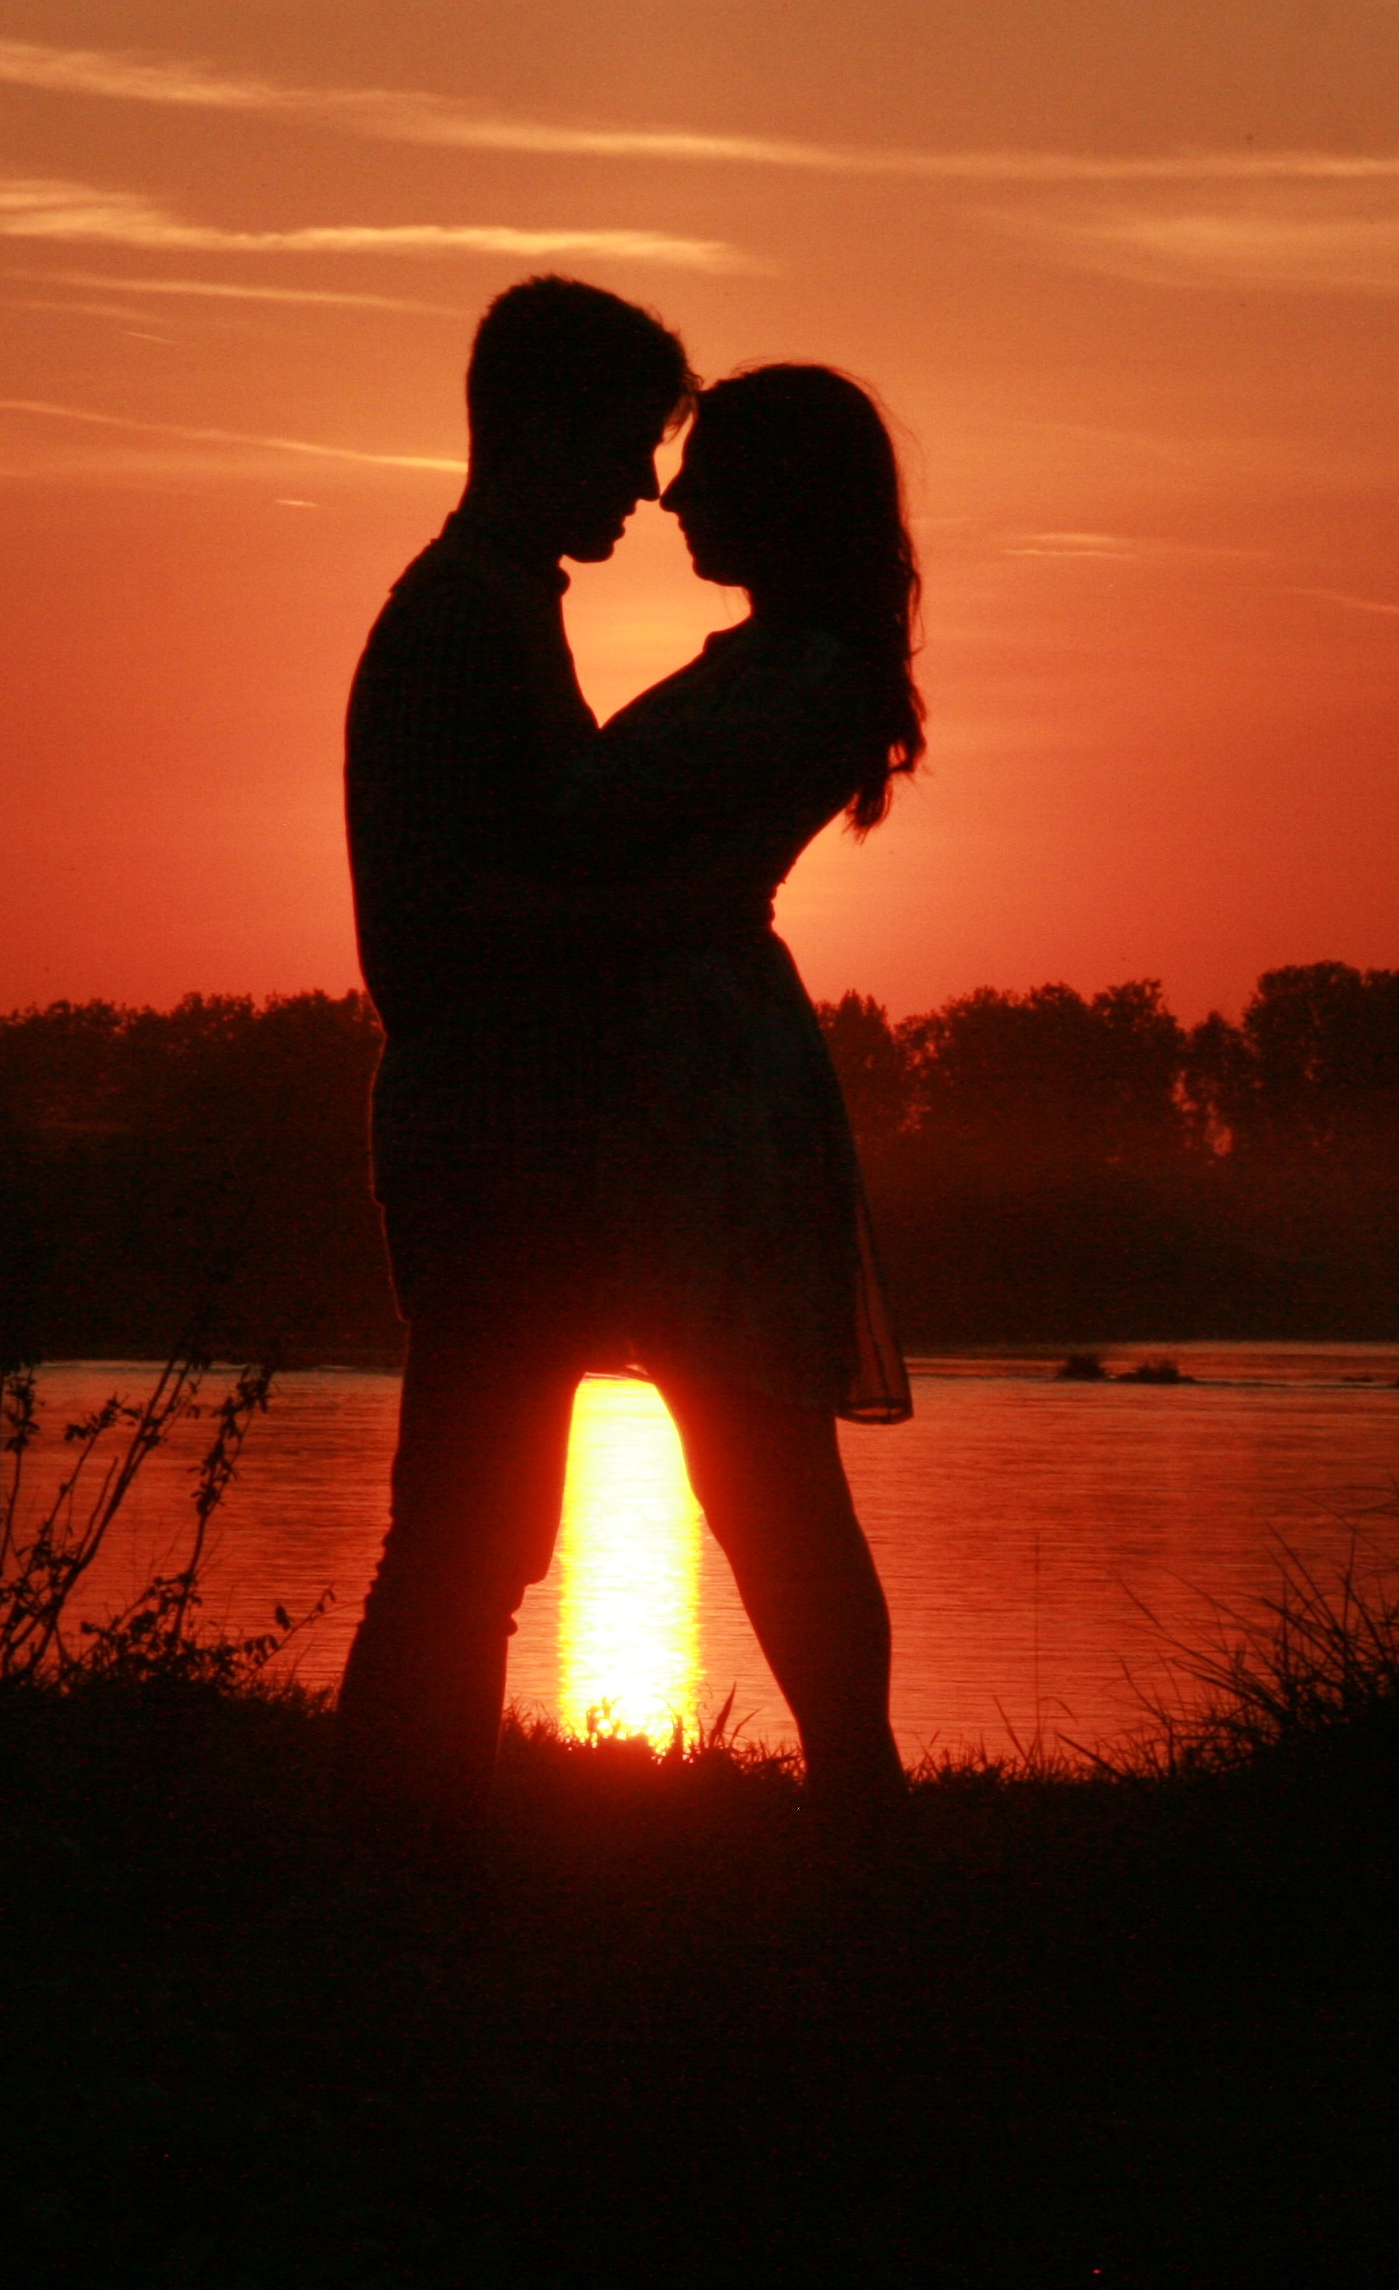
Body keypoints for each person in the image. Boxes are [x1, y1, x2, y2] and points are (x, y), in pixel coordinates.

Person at [334, 275, 693, 1839]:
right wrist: (652, 917)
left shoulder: (494, 609)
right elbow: (427, 914)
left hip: (505, 1136)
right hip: (483, 1138)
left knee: (480, 1538)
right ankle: (399, 1862)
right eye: (627, 442)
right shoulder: (458, 622)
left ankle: (412, 1850)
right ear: (540, 426)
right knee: (462, 1537)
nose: (647, 485)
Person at [554, 362, 922, 1832]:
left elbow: (651, 859)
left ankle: (858, 1786)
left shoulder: (812, 677)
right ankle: (857, 1793)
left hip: (710, 1081)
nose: (676, 495)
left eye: (709, 469)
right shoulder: (774, 661)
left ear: (784, 494)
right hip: (678, 1063)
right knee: (745, 1448)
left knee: (762, 1449)